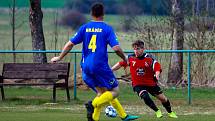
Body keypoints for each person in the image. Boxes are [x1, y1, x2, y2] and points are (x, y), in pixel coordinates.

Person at [50, 3, 139, 121]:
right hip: (100, 66)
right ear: (103, 14)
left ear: (91, 14)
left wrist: (60, 57)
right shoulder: (107, 29)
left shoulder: (84, 28)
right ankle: (92, 104)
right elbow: (116, 48)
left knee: (102, 93)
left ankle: (108, 117)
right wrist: (125, 58)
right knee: (115, 91)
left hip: (85, 67)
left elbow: (70, 43)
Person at [112, 40, 178, 118]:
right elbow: (120, 64)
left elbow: (157, 66)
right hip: (138, 84)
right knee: (145, 96)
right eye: (134, 49)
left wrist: (157, 74)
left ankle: (170, 112)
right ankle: (157, 111)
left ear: (143, 49)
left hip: (151, 83)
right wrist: (110, 70)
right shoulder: (130, 58)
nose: (136, 51)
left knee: (163, 99)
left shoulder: (149, 58)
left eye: (138, 49)